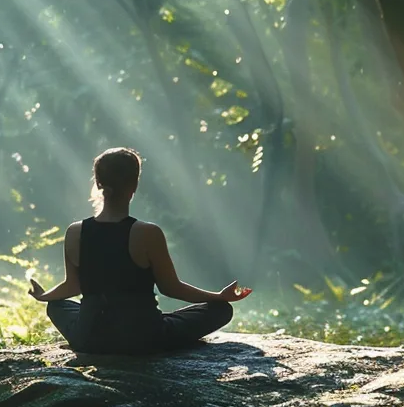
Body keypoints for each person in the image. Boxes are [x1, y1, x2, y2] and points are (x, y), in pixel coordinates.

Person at [27, 147, 251, 354]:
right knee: (221, 310)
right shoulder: (147, 233)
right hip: (143, 339)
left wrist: (43, 296)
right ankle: (163, 324)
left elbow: (72, 286)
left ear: (98, 183)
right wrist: (219, 297)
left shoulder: (75, 231)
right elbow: (171, 288)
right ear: (134, 185)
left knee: (56, 306)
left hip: (89, 338)